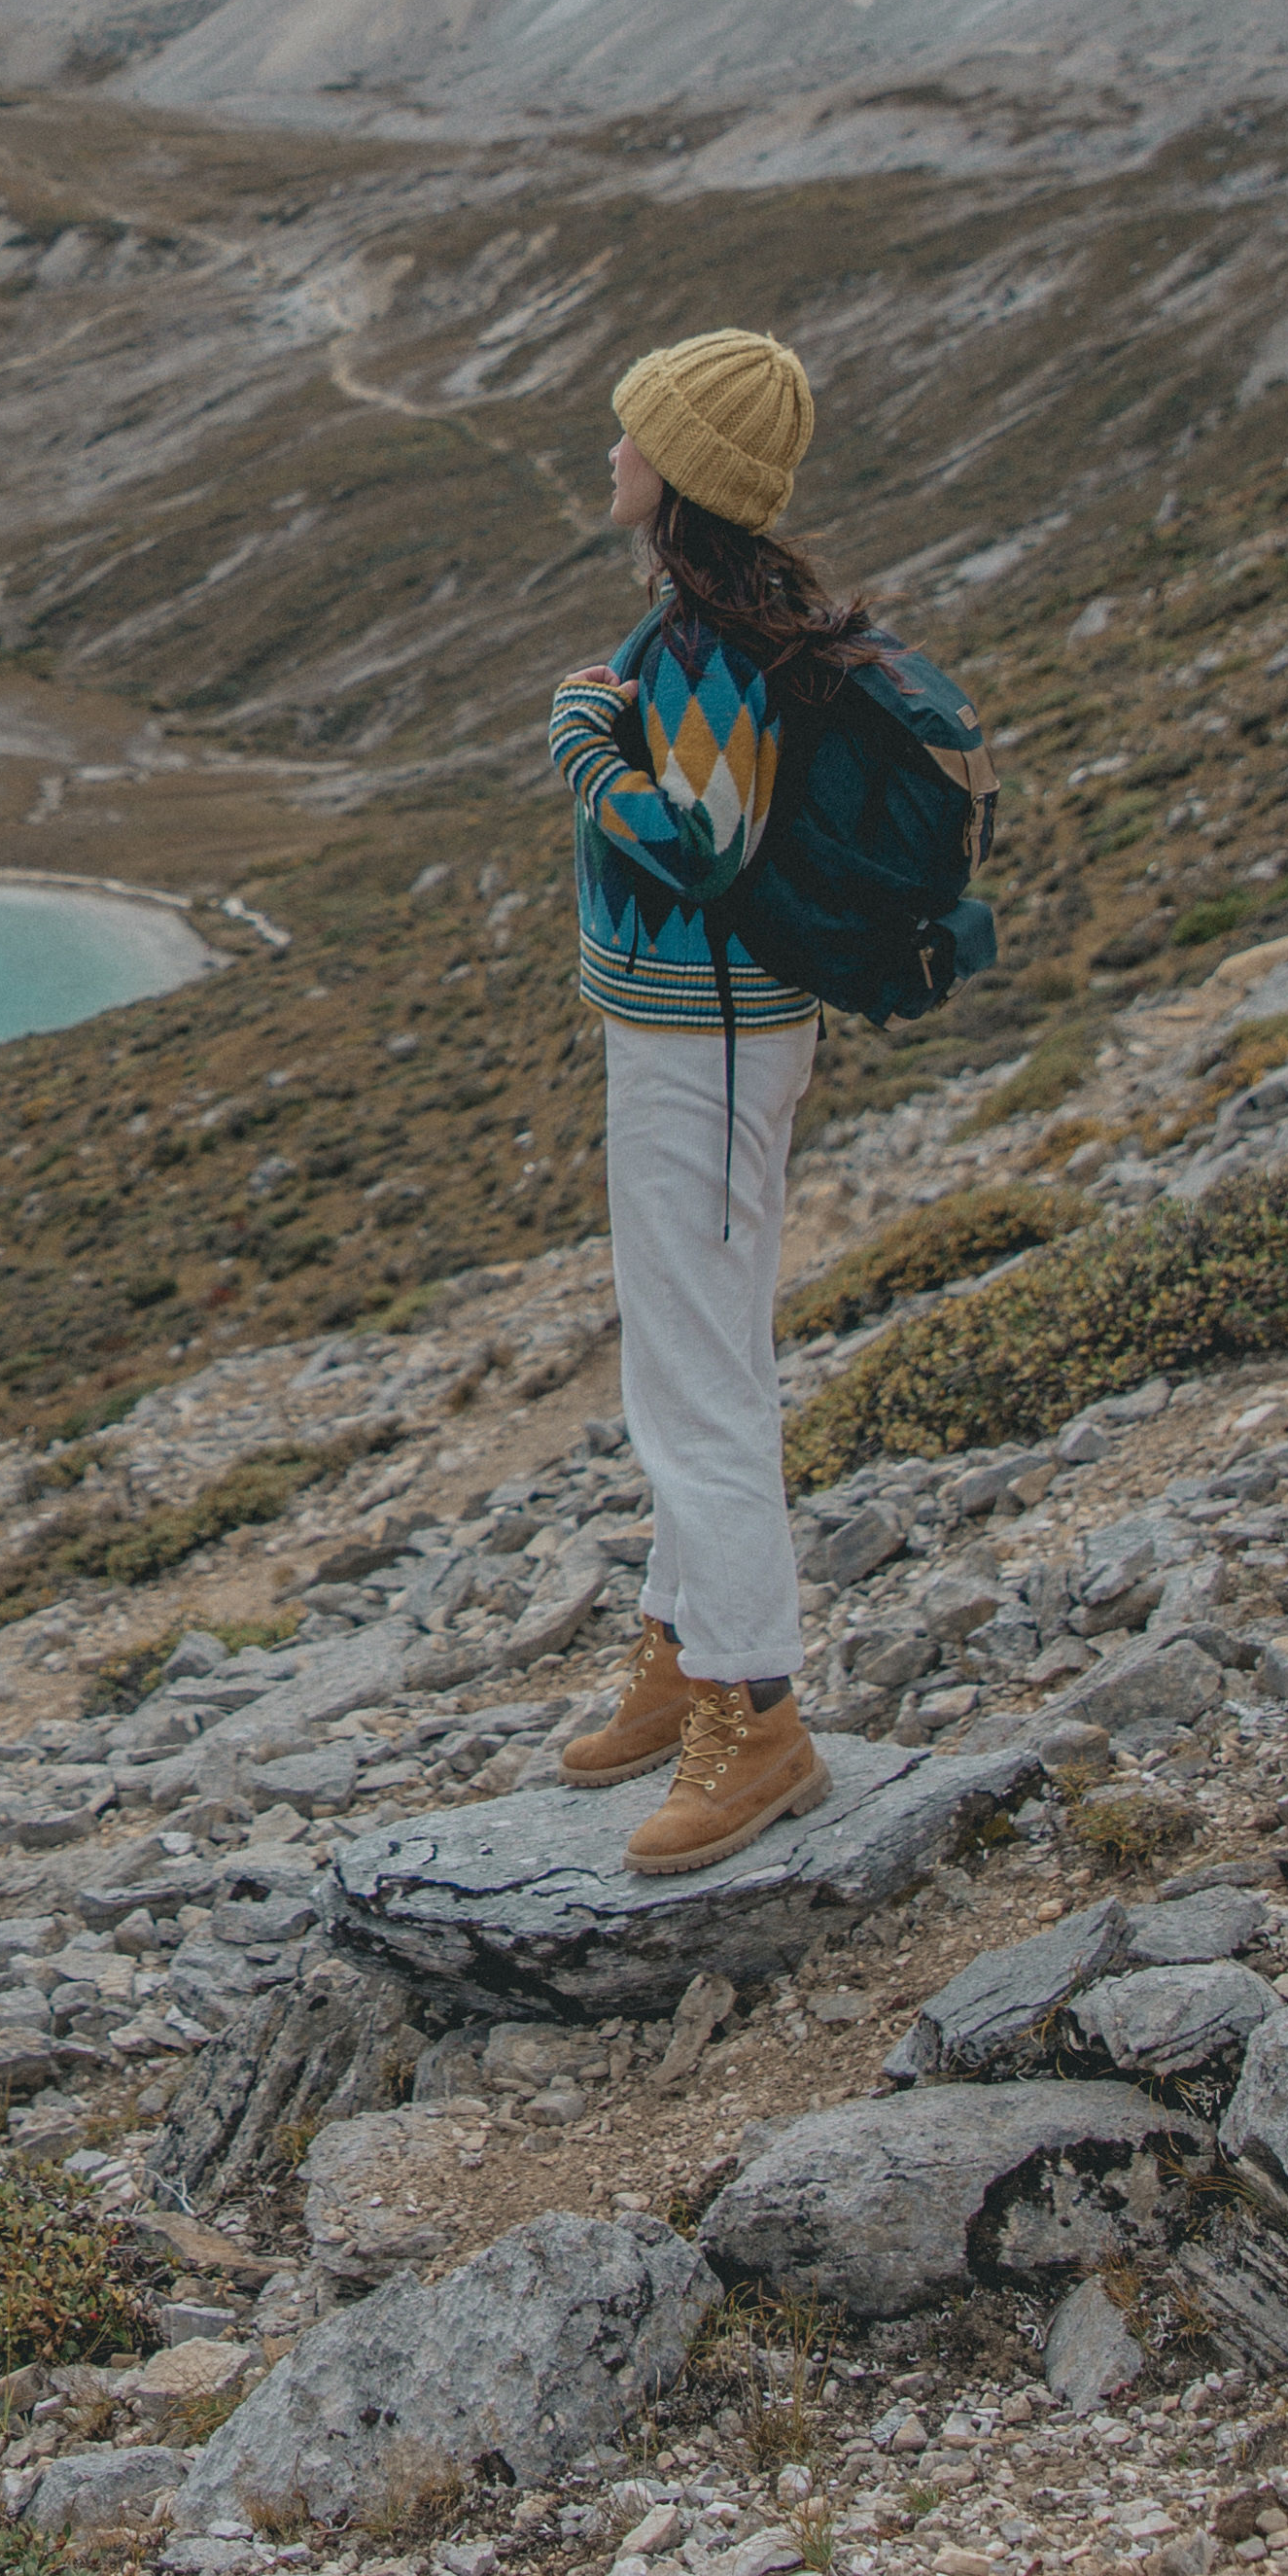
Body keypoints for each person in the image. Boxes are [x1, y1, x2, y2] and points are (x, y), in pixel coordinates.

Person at [546, 326, 865, 1873]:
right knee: (705, 1349)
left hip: (705, 1043)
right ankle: (683, 1646)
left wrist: (585, 757)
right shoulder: (722, 619)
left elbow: (705, 849)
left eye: (632, 435)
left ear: (679, 473)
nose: (611, 455)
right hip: (713, 1035)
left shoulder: (705, 649)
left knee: (694, 1388)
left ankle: (756, 1716)